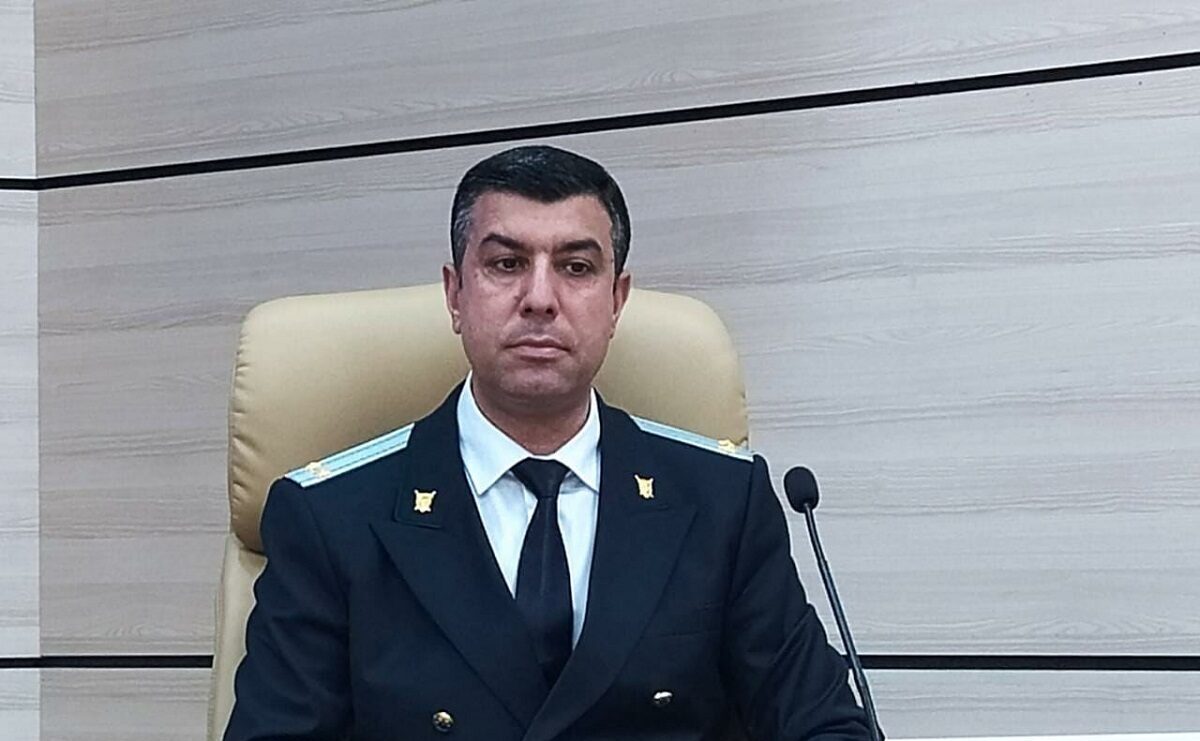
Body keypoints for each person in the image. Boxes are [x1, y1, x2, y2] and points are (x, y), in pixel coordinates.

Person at [225, 145, 875, 740]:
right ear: (455, 295)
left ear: (617, 300)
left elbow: (825, 727)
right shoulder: (329, 519)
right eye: (506, 264)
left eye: (576, 267)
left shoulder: (724, 504)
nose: (540, 298)